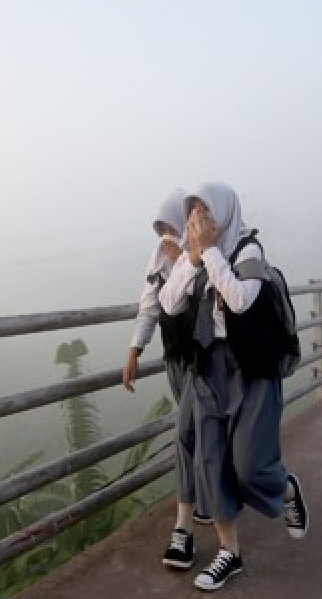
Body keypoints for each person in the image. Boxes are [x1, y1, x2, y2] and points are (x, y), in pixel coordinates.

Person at [159, 182, 308, 592]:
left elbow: (241, 299)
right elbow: (170, 304)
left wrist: (208, 251)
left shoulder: (246, 250)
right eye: (193, 213)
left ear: (224, 212)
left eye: (205, 212)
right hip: (207, 367)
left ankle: (287, 489)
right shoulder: (197, 255)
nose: (198, 222)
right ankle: (230, 552)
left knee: (249, 465)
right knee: (210, 461)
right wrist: (192, 258)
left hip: (250, 369)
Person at [121, 188, 212, 568]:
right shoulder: (159, 255)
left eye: (169, 225)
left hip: (206, 361)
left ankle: (183, 530)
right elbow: (149, 306)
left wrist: (188, 259)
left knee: (186, 436)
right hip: (176, 358)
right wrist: (134, 351)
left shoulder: (204, 251)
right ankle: (207, 502)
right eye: (158, 228)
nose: (163, 234)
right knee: (196, 432)